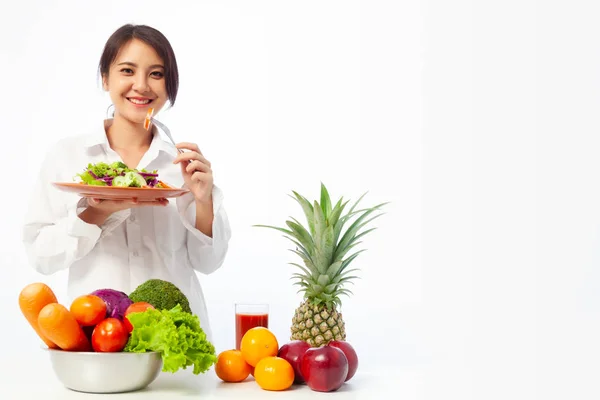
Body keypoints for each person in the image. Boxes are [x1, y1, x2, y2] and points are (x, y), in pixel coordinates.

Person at [21, 24, 231, 341]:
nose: (141, 85)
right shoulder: (68, 157)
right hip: (97, 337)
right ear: (106, 78)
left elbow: (209, 262)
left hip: (174, 342)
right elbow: (40, 256)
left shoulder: (183, 165)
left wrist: (204, 201)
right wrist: (95, 213)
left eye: (156, 74)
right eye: (127, 70)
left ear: (169, 84)